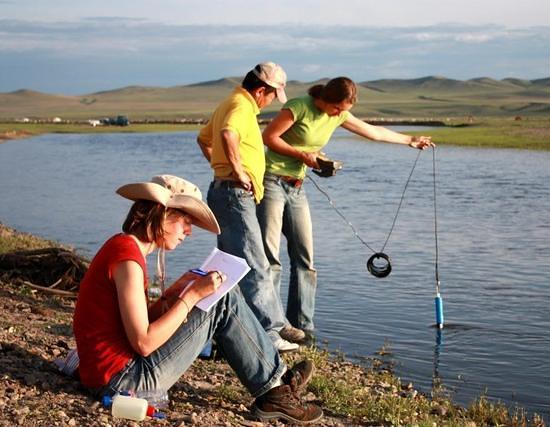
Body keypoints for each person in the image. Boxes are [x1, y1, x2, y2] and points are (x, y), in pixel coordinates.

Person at [72, 174, 323, 424]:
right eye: (186, 221)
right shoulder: (128, 259)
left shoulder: (124, 248)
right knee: (223, 300)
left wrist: (174, 292)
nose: (189, 232)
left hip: (112, 375)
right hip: (123, 382)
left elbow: (136, 324)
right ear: (163, 213)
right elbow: (144, 342)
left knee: (220, 295)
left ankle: (277, 380)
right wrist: (192, 295)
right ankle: (275, 389)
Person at [259, 77, 435, 336]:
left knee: (305, 259)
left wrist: (410, 139)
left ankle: (302, 328)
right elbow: (269, 137)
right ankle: (270, 327)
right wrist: (303, 155)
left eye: (345, 110)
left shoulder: (339, 114)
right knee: (271, 259)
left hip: (297, 186)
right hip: (272, 181)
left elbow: (374, 131)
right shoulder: (299, 107)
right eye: (338, 109)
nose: (341, 114)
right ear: (326, 100)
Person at [196, 62, 305, 351]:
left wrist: (220, 168)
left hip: (227, 192)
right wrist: (237, 172)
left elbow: (203, 139)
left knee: (232, 265)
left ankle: (225, 329)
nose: (271, 102)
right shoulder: (241, 108)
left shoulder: (230, 102)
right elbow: (227, 135)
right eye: (271, 96)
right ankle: (271, 331)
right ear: (261, 91)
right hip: (234, 195)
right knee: (255, 263)